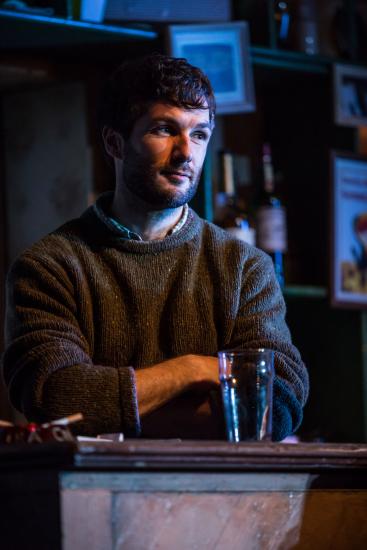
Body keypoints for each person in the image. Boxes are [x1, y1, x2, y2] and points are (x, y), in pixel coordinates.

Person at [2, 53, 308, 440]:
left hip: (225, 496)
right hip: (97, 496)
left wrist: (112, 413)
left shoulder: (244, 267)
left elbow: (277, 405)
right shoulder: (49, 266)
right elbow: (56, 398)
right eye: (165, 130)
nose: (186, 153)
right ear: (115, 142)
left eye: (199, 134)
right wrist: (194, 371)